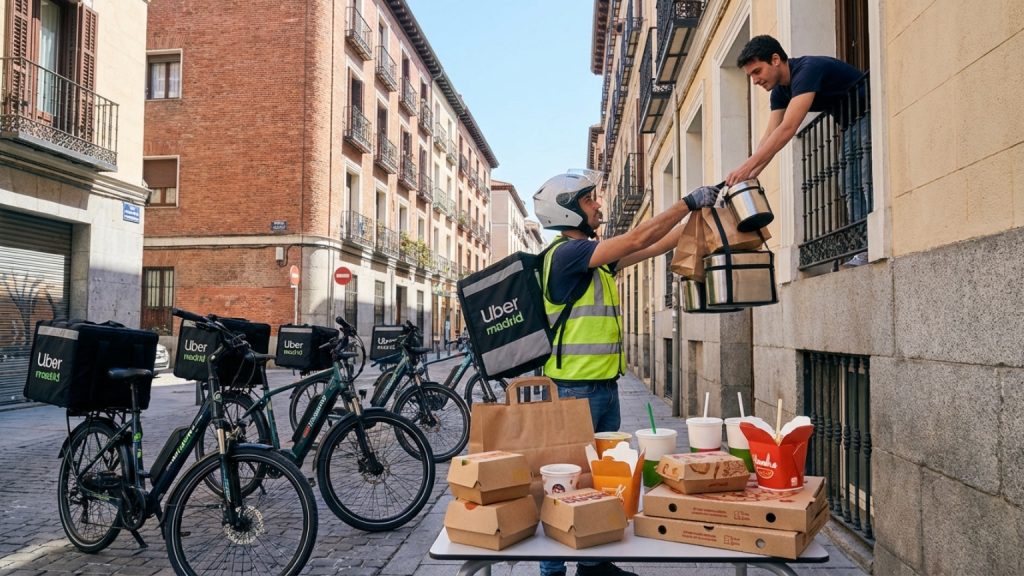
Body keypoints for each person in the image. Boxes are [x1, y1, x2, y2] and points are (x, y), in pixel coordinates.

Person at [532, 170, 721, 576]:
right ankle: (551, 571)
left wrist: (703, 215)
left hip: (602, 389)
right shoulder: (568, 255)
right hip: (571, 392)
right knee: (565, 483)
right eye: (589, 200)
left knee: (600, 482)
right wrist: (687, 201)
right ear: (566, 211)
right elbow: (637, 238)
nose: (598, 205)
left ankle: (595, 565)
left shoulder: (595, 261)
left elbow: (654, 244)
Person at [725, 35, 870, 265]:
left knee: (864, 179)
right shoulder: (780, 92)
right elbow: (769, 137)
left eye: (757, 72)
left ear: (775, 60)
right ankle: (863, 246)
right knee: (848, 184)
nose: (754, 81)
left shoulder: (807, 70)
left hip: (869, 114)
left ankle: (869, 246)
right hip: (850, 124)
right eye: (750, 75)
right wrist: (748, 177)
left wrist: (745, 169)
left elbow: (788, 128)